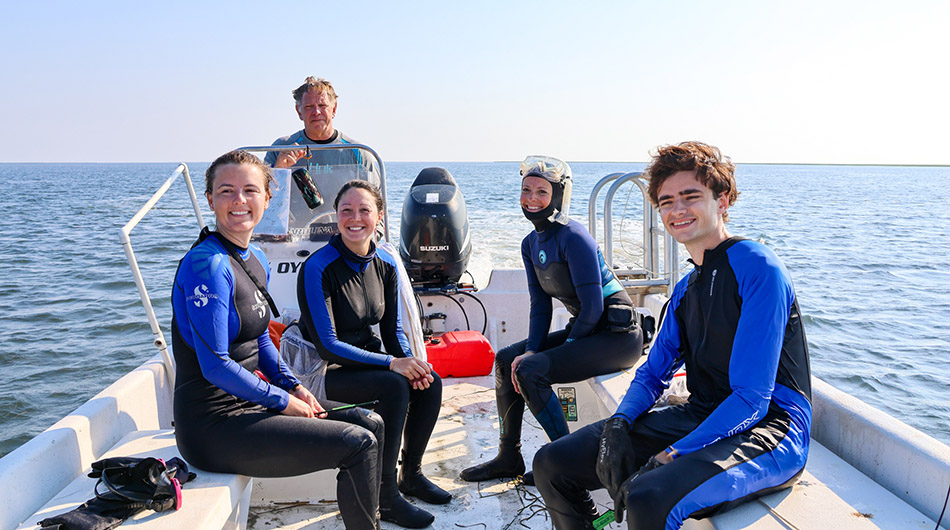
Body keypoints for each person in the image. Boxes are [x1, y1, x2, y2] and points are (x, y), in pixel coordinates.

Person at [533, 142, 812, 530]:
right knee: (552, 463)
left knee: (649, 497)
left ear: (723, 200)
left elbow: (752, 398)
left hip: (773, 429)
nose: (677, 209)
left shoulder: (758, 268)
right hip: (702, 413)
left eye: (690, 196)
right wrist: (619, 424)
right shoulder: (686, 290)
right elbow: (652, 374)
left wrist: (674, 454)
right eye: (666, 201)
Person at [171, 151, 383, 530]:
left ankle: (381, 510)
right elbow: (215, 364)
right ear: (209, 200)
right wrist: (281, 401)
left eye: (250, 190)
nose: (239, 200)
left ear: (268, 198)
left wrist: (295, 387)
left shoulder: (254, 258)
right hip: (212, 426)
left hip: (250, 407)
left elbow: (261, 341)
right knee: (358, 443)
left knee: (372, 423)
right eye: (226, 191)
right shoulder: (209, 264)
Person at [460, 156, 644, 485]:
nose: (532, 198)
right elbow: (540, 305)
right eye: (526, 190)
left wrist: (566, 347)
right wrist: (532, 349)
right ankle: (508, 456)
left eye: (541, 192)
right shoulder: (531, 244)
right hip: (587, 331)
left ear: (558, 196)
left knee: (531, 371)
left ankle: (563, 461)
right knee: (507, 361)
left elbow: (592, 306)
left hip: (617, 337)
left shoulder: (574, 236)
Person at [297, 180, 448, 529]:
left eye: (364, 210)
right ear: (336, 218)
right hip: (322, 373)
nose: (355, 218)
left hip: (366, 364)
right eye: (346, 210)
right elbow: (327, 345)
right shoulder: (318, 267)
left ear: (379, 217)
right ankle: (385, 495)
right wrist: (394, 364)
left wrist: (412, 362)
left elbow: (392, 331)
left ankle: (412, 475)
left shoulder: (385, 264)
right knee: (393, 385)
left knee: (430, 382)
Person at [263, 76, 375, 172]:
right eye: (309, 107)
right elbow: (264, 194)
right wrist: (278, 167)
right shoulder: (281, 149)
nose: (316, 112)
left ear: (334, 108)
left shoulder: (358, 152)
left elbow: (375, 196)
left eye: (322, 106)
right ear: (299, 111)